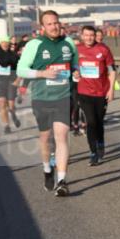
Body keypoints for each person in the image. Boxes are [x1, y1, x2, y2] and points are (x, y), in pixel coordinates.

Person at [16, 10, 78, 196]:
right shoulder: (34, 45)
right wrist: (42, 74)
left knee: (61, 136)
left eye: (56, 22)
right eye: (49, 24)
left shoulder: (68, 43)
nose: (54, 26)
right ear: (43, 27)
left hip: (63, 96)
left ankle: (61, 180)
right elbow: (21, 69)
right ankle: (47, 169)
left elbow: (74, 64)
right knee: (46, 138)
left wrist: (75, 73)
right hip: (41, 98)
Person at [75, 25, 116, 165]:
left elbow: (112, 71)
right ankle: (93, 152)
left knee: (99, 122)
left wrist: (111, 90)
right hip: (84, 92)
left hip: (101, 92)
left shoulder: (103, 49)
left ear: (95, 35)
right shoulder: (77, 49)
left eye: (91, 35)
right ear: (82, 36)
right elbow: (72, 68)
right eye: (86, 35)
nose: (89, 38)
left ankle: (100, 142)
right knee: (91, 122)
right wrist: (75, 74)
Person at [0, 36, 21, 132]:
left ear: (9, 44)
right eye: (3, 42)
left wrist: (18, 81)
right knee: (2, 104)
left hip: (11, 82)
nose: (5, 44)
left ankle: (13, 114)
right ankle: (6, 125)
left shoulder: (14, 55)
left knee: (11, 106)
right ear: (0, 44)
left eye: (6, 42)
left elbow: (20, 69)